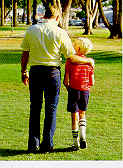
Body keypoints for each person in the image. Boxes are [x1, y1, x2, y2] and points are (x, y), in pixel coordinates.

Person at [21, 5, 94, 153]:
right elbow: (71, 56)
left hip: (35, 71)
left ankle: (32, 144)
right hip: (52, 72)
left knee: (35, 108)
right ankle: (47, 145)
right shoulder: (60, 32)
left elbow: (25, 54)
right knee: (51, 109)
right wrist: (88, 61)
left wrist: (24, 71)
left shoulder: (31, 30)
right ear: (57, 17)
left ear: (44, 15)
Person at [63, 37, 95, 150]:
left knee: (74, 116)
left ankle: (75, 142)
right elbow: (92, 82)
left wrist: (69, 89)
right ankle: (83, 136)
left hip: (73, 90)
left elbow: (65, 81)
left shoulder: (69, 61)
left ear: (78, 47)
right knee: (82, 114)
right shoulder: (90, 63)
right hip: (85, 91)